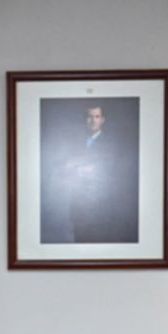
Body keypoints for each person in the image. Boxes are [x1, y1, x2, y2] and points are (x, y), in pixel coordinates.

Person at [64, 103, 139, 244]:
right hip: (79, 211)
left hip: (101, 212)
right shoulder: (75, 143)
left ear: (102, 120)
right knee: (80, 253)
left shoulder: (111, 144)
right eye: (90, 116)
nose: (93, 120)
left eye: (96, 116)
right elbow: (68, 172)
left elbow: (111, 177)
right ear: (85, 119)